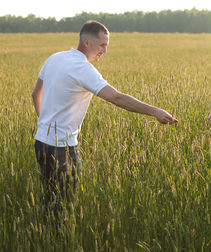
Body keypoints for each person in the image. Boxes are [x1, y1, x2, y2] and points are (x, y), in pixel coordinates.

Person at [31, 20, 178, 212]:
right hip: (63, 148)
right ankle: (59, 239)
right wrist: (155, 111)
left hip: (41, 141)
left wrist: (45, 125)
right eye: (102, 45)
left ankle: (46, 237)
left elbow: (36, 94)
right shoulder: (83, 69)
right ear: (86, 43)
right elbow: (116, 97)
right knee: (66, 205)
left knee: (48, 198)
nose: (105, 51)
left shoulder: (54, 58)